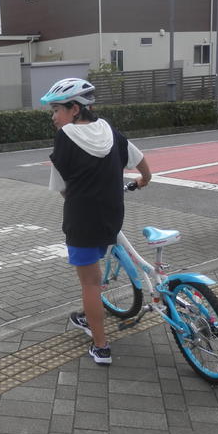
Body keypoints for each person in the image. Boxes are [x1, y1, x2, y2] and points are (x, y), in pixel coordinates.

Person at [42, 78, 152, 365]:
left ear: (75, 109)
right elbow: (138, 159)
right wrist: (144, 179)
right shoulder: (109, 130)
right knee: (96, 271)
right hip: (112, 215)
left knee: (90, 284)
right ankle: (89, 316)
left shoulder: (65, 137)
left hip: (82, 220)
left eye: (57, 110)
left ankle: (101, 347)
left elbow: (62, 187)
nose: (54, 117)